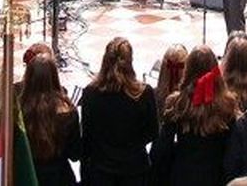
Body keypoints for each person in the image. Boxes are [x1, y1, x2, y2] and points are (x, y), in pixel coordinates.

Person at [150, 45, 236, 186]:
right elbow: (231, 151)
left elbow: (162, 148)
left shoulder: (177, 102)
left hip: (183, 176)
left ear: (188, 69)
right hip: (215, 176)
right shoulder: (228, 104)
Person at [79, 36, 159, 185]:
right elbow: (153, 132)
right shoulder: (144, 93)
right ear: (130, 61)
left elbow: (87, 136)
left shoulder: (90, 93)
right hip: (135, 170)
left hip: (101, 171)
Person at [19, 52, 81, 186]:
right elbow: (75, 154)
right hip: (60, 178)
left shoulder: (19, 111)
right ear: (54, 77)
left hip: (28, 177)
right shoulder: (68, 112)